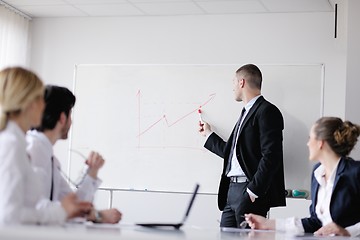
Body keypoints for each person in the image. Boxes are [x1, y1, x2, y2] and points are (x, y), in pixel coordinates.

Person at [0, 66, 92, 225]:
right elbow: (8, 216)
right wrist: (60, 211)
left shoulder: (19, 145)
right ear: (29, 103)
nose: (44, 107)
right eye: (40, 99)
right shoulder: (12, 145)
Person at [199, 64, 285, 228]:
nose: (232, 87)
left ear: (241, 82)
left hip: (249, 191)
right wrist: (208, 134)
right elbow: (233, 154)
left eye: (233, 82)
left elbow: (272, 156)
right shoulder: (245, 113)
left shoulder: (267, 111)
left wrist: (252, 192)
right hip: (231, 191)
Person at [245, 117, 360, 237]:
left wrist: (348, 232)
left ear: (321, 143)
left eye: (310, 138)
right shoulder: (317, 173)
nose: (308, 143)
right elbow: (315, 222)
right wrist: (267, 223)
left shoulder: (355, 172)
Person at [26, 85, 122, 224]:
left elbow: (76, 205)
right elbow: (37, 209)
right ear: (63, 118)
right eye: (71, 115)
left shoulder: (48, 156)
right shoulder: (33, 150)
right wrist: (96, 215)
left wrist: (92, 172)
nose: (72, 122)